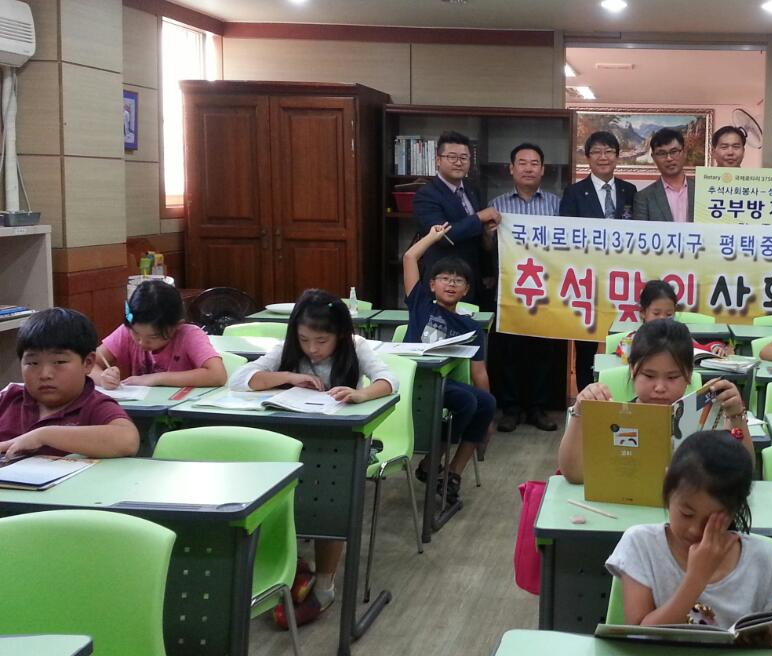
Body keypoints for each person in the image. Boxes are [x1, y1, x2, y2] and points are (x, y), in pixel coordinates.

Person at [229, 289, 397, 624]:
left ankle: (324, 582)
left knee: (330, 496)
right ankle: (287, 567)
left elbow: (389, 380)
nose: (312, 349)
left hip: (340, 446)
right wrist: (289, 377)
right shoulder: (287, 349)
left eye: (322, 341)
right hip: (290, 443)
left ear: (340, 335)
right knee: (267, 491)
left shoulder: (357, 347)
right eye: (305, 340)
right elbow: (239, 380)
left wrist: (361, 394)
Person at [605, 430, 772, 641]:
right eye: (686, 514)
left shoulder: (761, 559)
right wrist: (697, 578)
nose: (695, 530)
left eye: (711, 521)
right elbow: (639, 637)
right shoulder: (641, 544)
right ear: (667, 484)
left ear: (735, 511)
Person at [558, 319, 751, 482]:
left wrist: (736, 415)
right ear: (632, 371)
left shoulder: (707, 417)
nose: (659, 387)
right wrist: (578, 412)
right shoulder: (611, 417)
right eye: (649, 376)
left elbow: (741, 473)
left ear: (688, 375)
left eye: (672, 377)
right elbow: (574, 474)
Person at [403, 225, 495, 509]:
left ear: (466, 290)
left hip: (442, 385)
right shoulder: (420, 304)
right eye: (444, 278)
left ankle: (452, 473)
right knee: (467, 401)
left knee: (485, 402)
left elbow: (479, 372)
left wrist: (489, 420)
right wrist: (432, 237)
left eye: (458, 281)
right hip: (413, 381)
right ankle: (432, 462)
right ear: (432, 285)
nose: (451, 284)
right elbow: (409, 258)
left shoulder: (470, 327)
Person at [0, 307, 140, 460]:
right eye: (33, 363)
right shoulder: (9, 399)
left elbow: (128, 440)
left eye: (59, 362)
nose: (45, 374)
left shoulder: (95, 405)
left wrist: (44, 435)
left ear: (88, 363)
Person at [488, 143, 561, 433]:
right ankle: (510, 408)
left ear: (543, 170)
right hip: (509, 289)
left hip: (546, 288)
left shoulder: (556, 205)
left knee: (543, 350)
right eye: (522, 163)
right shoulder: (496, 205)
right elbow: (486, 249)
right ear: (511, 168)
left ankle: (538, 408)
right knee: (509, 351)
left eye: (534, 163)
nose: (528, 168)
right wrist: (488, 236)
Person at [560, 130, 638, 389]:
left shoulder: (629, 190)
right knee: (585, 342)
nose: (603, 157)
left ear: (617, 156)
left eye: (609, 152)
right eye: (596, 152)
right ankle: (585, 394)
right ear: (588, 157)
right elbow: (567, 235)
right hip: (587, 278)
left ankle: (620, 391)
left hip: (622, 278)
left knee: (623, 338)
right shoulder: (574, 192)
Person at [411, 130, 500, 305]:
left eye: (464, 158)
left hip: (473, 279)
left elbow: (475, 237)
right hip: (445, 282)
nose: (459, 162)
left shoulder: (472, 190)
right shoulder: (426, 195)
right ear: (438, 160)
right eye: (452, 157)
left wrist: (486, 235)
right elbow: (443, 236)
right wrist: (479, 218)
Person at [92, 279, 226, 390]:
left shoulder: (189, 335)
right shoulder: (126, 331)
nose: (141, 342)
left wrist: (156, 378)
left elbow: (218, 375)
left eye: (153, 337)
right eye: (136, 334)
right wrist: (102, 379)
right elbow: (90, 363)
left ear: (177, 326)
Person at [614, 280, 729, 358]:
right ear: (643, 313)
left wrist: (716, 347)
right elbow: (621, 350)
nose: (663, 318)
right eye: (656, 313)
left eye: (669, 314)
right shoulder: (635, 338)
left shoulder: (679, 337)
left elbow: (702, 348)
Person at [634, 128, 695, 222]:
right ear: (653, 157)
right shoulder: (643, 197)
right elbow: (641, 230)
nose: (669, 158)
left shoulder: (702, 190)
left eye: (674, 152)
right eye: (662, 153)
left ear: (684, 153)